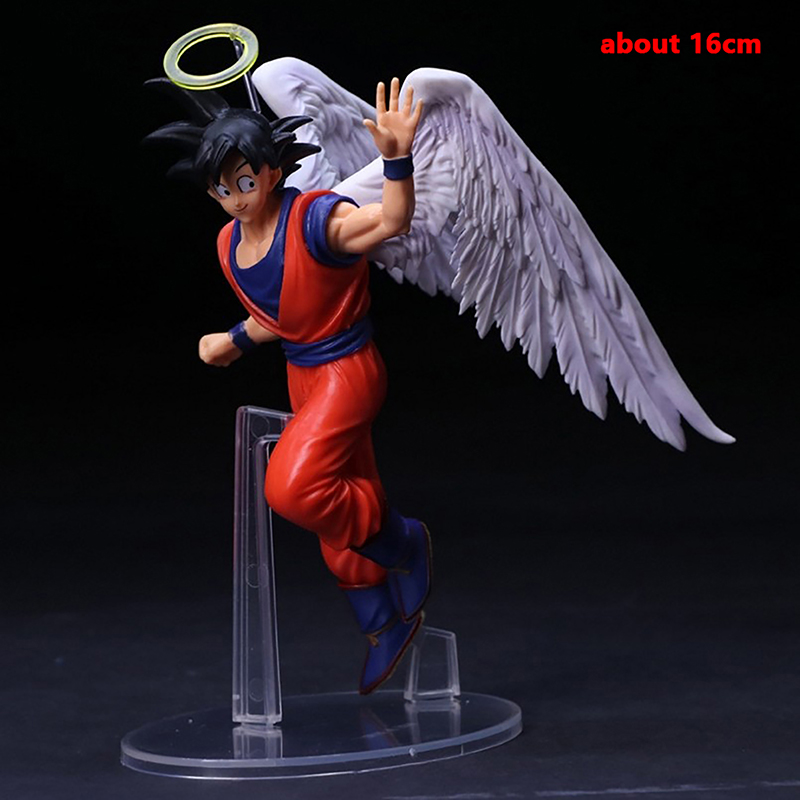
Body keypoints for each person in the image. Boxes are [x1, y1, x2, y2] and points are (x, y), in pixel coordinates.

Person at [145, 77, 430, 694]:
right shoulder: (230, 243)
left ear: (272, 173)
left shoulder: (318, 219)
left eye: (245, 182)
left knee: (294, 488)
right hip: (303, 375)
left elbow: (394, 220)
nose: (235, 199)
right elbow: (282, 310)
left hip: (347, 372)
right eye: (222, 189)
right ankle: (381, 623)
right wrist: (234, 339)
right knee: (333, 507)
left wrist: (396, 158)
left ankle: (402, 542)